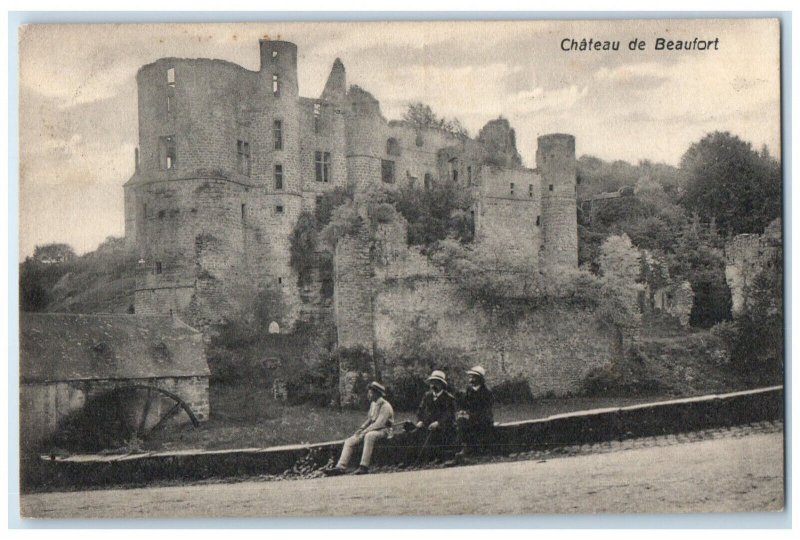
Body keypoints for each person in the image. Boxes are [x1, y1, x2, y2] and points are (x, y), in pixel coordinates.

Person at [325, 381, 394, 476]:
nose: (368, 395)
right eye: (369, 392)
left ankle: (363, 467)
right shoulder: (373, 404)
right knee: (349, 441)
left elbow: (379, 424)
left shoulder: (385, 406)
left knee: (369, 436)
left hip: (384, 430)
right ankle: (340, 467)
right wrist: (361, 429)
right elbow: (370, 419)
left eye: (370, 393)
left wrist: (365, 432)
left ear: (376, 394)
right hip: (371, 429)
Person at [404, 370, 456, 465]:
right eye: (432, 382)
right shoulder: (427, 396)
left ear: (441, 384)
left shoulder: (449, 398)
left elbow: (449, 414)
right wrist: (420, 421)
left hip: (443, 426)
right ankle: (409, 461)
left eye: (436, 383)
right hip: (427, 423)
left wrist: (438, 423)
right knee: (413, 433)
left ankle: (426, 460)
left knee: (433, 435)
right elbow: (420, 410)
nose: (433, 385)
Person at [450, 366, 494, 463]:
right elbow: (463, 404)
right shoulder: (468, 390)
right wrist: (462, 410)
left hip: (483, 417)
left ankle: (473, 450)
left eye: (474, 377)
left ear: (480, 379)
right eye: (470, 377)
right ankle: (465, 447)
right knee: (460, 420)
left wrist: (470, 414)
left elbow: (485, 409)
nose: (471, 379)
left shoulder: (486, 392)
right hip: (470, 417)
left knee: (471, 423)